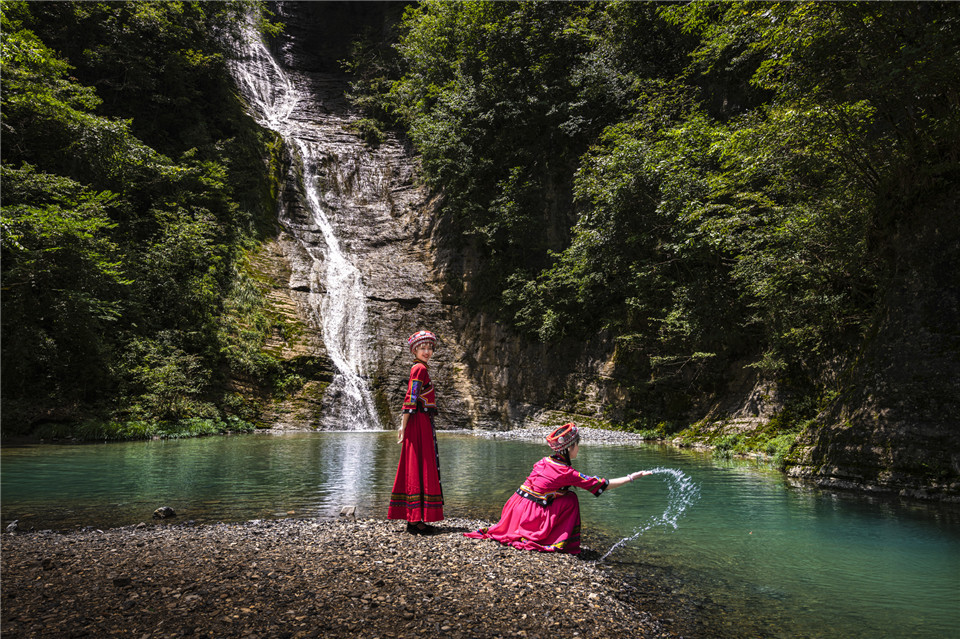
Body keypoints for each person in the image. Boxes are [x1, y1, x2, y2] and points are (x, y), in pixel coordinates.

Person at [465, 423, 651, 554]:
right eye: (578, 445)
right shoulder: (567, 472)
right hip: (528, 516)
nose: (579, 449)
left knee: (565, 494)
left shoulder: (543, 461)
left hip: (514, 510)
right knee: (570, 499)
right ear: (570, 447)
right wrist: (632, 477)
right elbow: (602, 486)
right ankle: (559, 542)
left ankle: (527, 530)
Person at [388, 330, 444, 534]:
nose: (427, 351)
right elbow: (410, 398)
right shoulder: (419, 369)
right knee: (420, 463)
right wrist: (403, 426)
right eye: (422, 348)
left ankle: (414, 517)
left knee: (416, 464)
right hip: (418, 421)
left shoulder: (419, 368)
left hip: (420, 419)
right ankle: (415, 520)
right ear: (415, 350)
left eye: (429, 348)